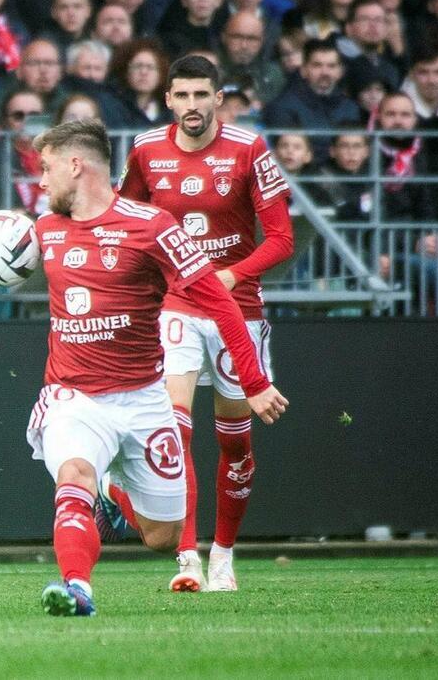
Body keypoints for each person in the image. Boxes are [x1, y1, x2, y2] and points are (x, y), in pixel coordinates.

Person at [28, 119, 287, 616]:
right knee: (74, 474)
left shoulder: (152, 227)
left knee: (162, 536)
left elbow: (221, 303)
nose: (41, 181)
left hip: (145, 399)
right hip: (72, 396)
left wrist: (253, 381)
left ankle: (112, 490)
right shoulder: (44, 228)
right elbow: (8, 251)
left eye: (46, 168)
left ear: (76, 165)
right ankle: (78, 587)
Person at [115, 55, 294, 593]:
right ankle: (188, 558)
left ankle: (224, 555)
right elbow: (129, 227)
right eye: (182, 96)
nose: (192, 106)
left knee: (235, 443)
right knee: (175, 429)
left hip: (239, 311)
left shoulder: (249, 148)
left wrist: (234, 276)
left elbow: (282, 239)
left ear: (220, 98)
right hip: (176, 308)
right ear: (167, 99)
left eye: (201, 95)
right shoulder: (147, 150)